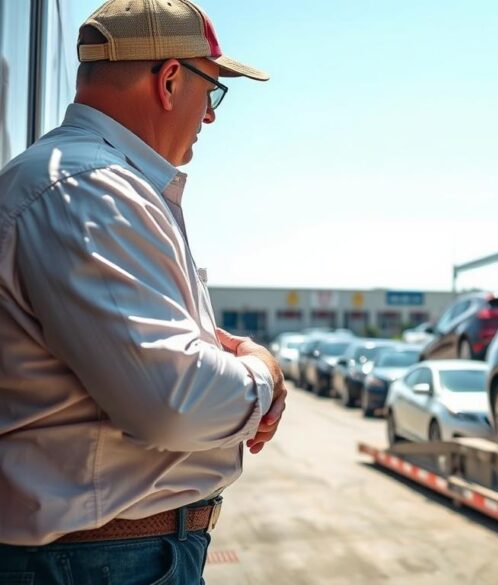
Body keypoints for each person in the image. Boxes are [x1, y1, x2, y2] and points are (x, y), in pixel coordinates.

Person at [0, 1, 283, 582]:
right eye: (213, 91)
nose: (209, 116)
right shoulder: (94, 190)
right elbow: (172, 401)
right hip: (102, 563)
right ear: (171, 79)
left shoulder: (80, 184)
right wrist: (264, 378)